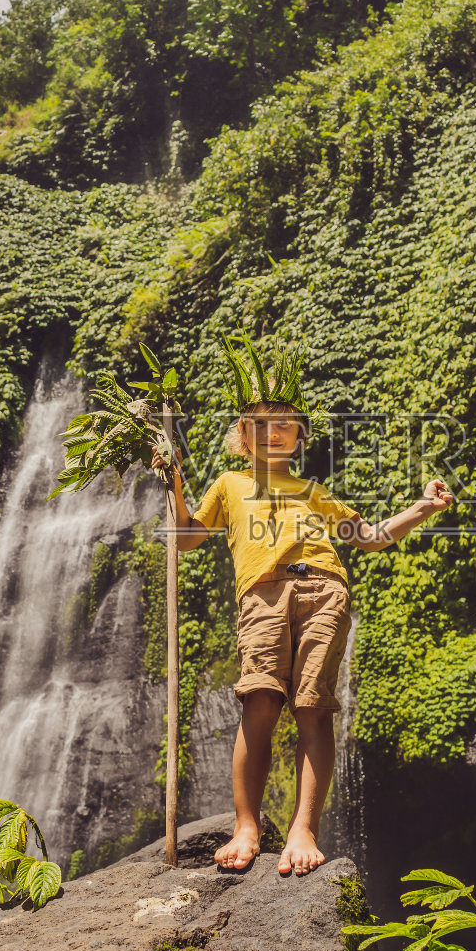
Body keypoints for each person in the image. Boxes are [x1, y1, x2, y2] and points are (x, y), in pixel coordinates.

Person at [150, 340, 453, 876]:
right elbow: (187, 537)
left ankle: (302, 827)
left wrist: (423, 507)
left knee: (313, 706)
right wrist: (173, 481)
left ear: (300, 435)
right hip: (263, 593)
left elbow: (371, 536)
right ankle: (246, 826)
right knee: (260, 700)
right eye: (260, 424)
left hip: (324, 589)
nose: (274, 431)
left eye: (286, 423)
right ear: (242, 437)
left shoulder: (314, 490)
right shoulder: (230, 483)